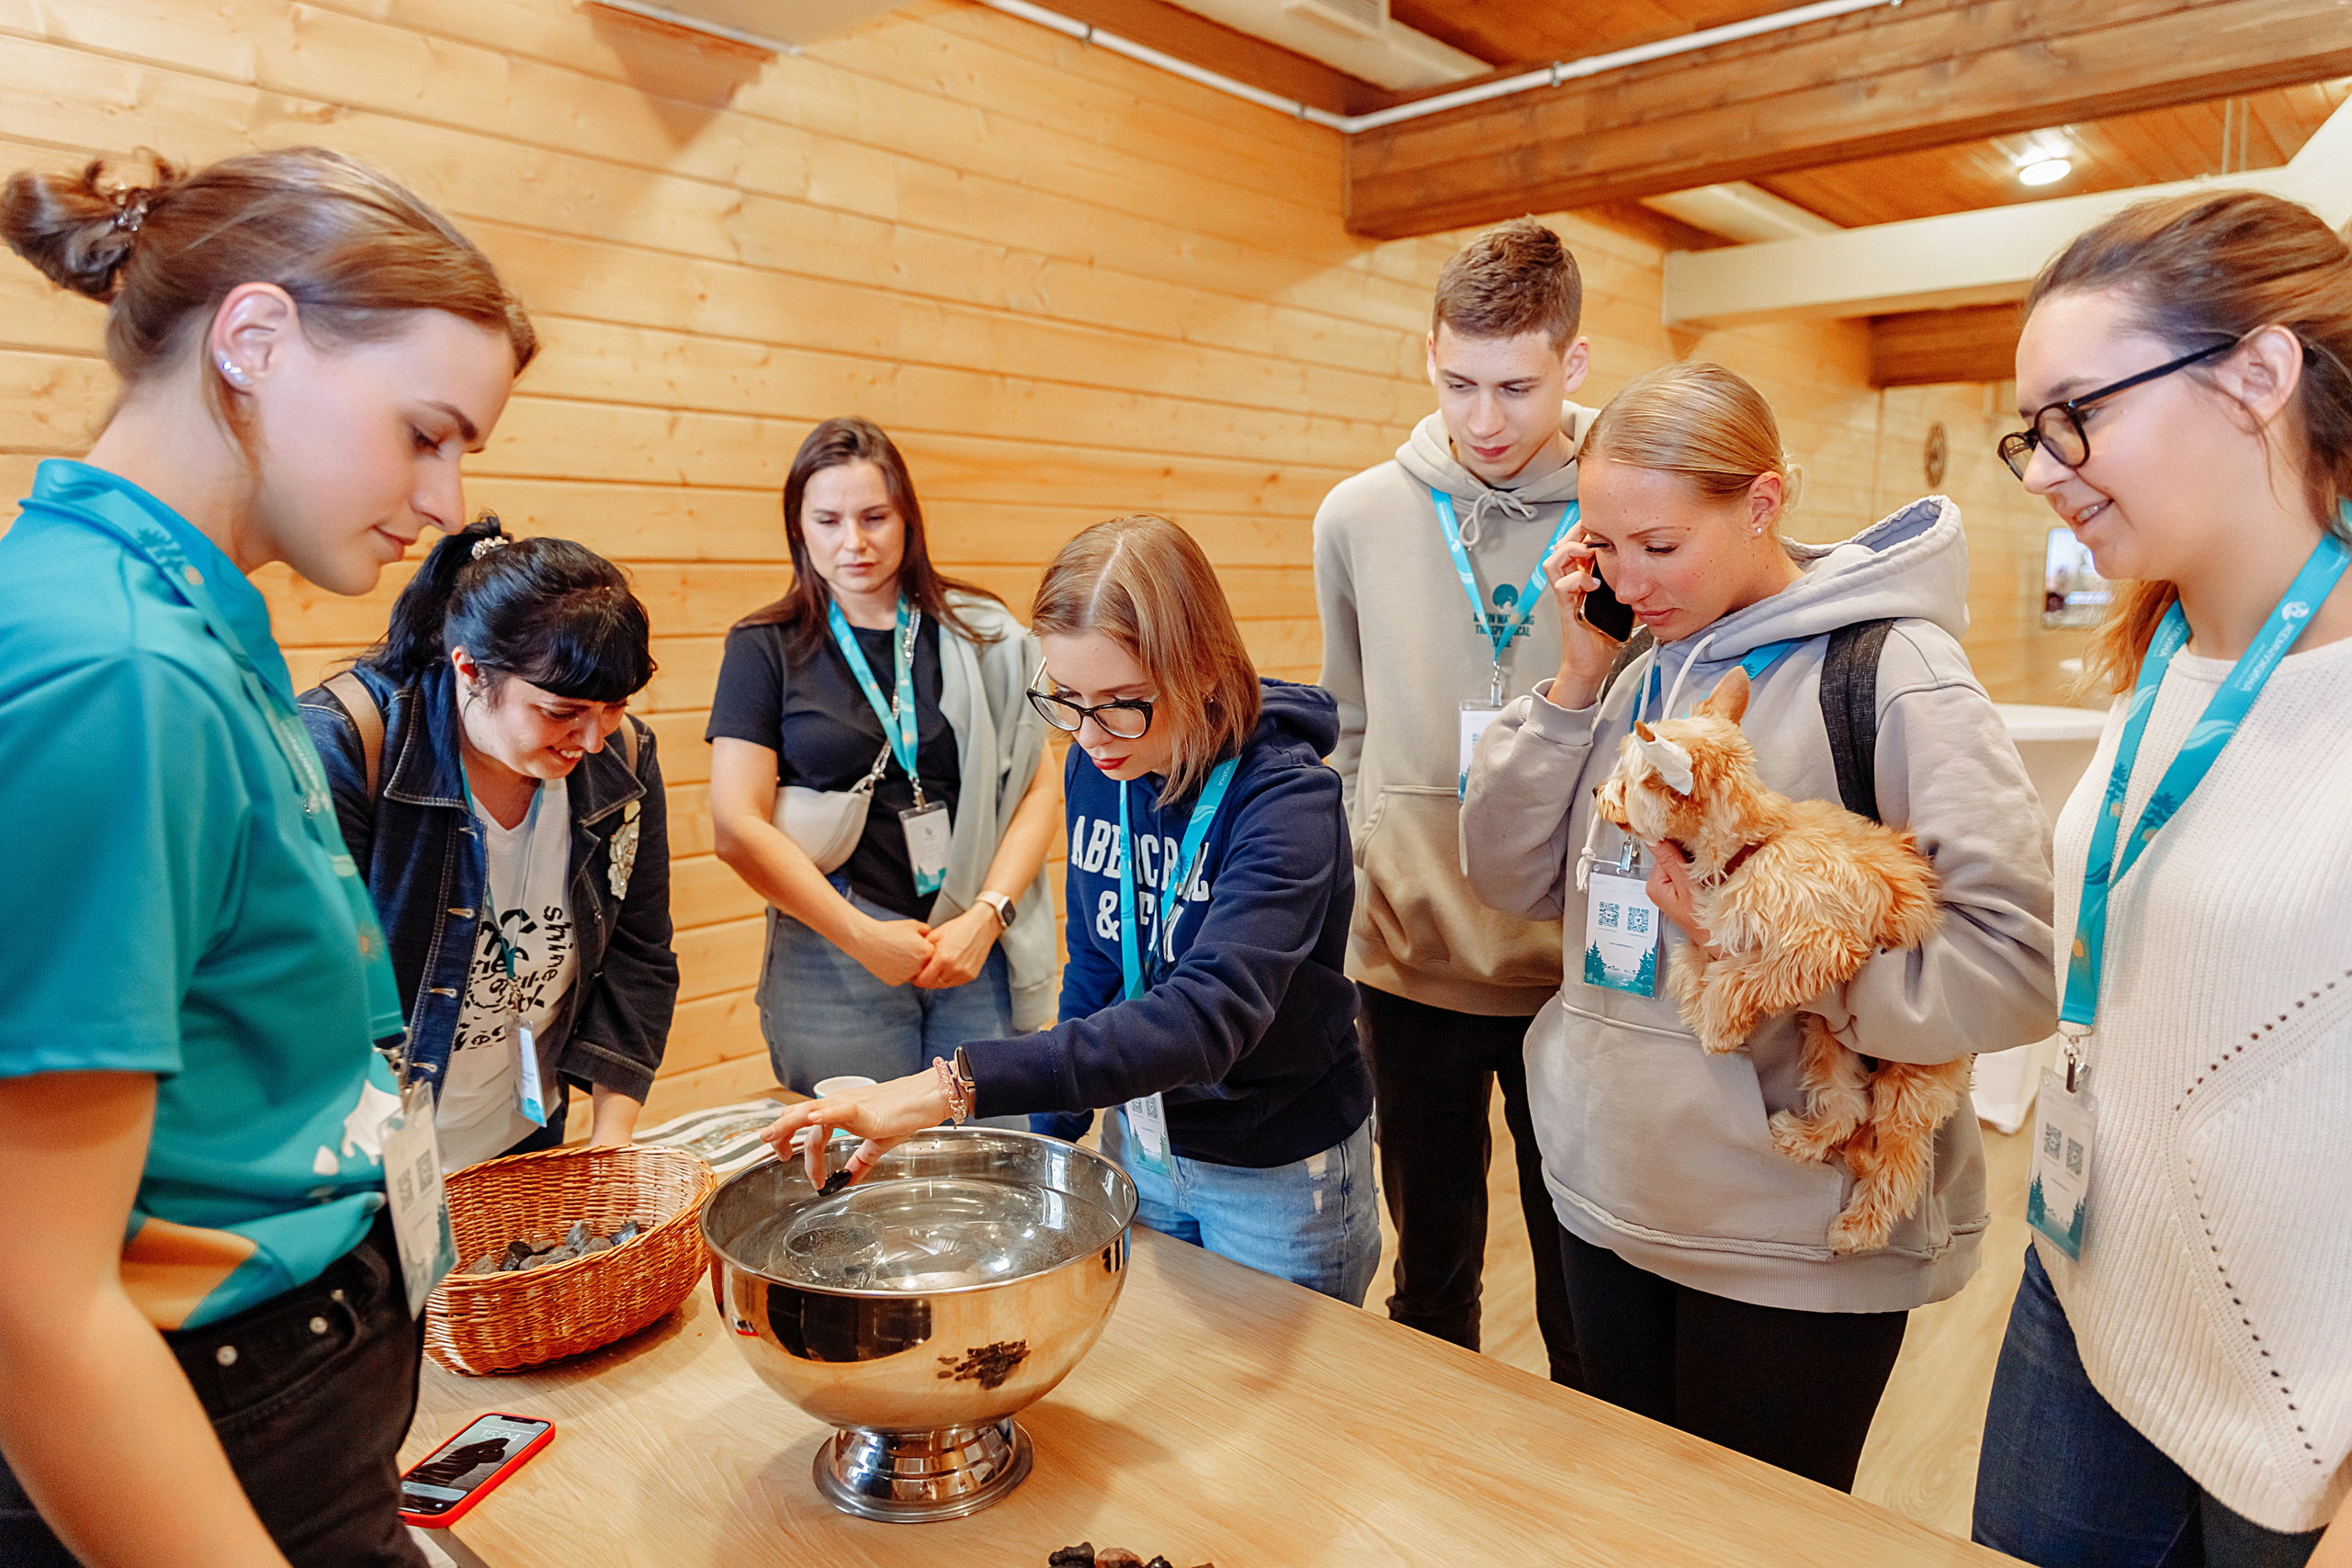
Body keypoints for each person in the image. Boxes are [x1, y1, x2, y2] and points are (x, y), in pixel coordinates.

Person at [0, 148, 532, 1567]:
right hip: (206, 1408)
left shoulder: (184, 622)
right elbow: (33, 1298)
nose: (447, 493)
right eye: (424, 430)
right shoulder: (112, 668)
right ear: (252, 338)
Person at [1460, 360, 2056, 1491]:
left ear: (1764, 503)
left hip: (1786, 1237)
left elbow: (2013, 967)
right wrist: (1578, 674)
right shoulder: (1634, 668)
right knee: (1625, 1524)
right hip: (1606, 1196)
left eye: (1662, 544)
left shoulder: (1895, 671)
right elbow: (1506, 874)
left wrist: (1763, 955)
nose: (1627, 578)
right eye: (1605, 544)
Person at [1971, 190, 2352, 1568]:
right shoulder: (2164, 662)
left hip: (2296, 1402)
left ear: (2258, 374)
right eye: (2032, 431)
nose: (2043, 468)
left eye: (2078, 412)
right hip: (2080, 1290)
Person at [762, 514, 1380, 1304]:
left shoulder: (1287, 797)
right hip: (1144, 1147)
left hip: (1274, 1166)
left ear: (1205, 667)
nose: (1091, 736)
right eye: (1068, 699)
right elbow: (1095, 967)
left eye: (1124, 702)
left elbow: (1205, 1017)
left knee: (1284, 1411)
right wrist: (1046, 1150)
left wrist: (951, 1088)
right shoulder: (1104, 768)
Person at [1313, 216, 1599, 1383]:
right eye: (1459, 382)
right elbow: (1347, 726)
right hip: (1408, 953)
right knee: (1430, 1267)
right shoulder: (1358, 515)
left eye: (1518, 387)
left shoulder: (1622, 501)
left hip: (1575, 968)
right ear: (1428, 350)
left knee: (1581, 1270)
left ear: (1573, 365)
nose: (1486, 421)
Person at [300, 517, 678, 1168]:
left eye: (613, 705)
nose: (591, 740)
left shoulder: (625, 756)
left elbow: (639, 955)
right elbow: (299, 989)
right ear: (470, 669)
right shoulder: (346, 746)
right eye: (561, 712)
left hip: (522, 1135)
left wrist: (611, 1141)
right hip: (365, 1158)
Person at [707, 417, 1062, 1107]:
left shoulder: (981, 629)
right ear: (798, 526)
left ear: (908, 518)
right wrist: (864, 937)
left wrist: (987, 916)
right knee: (854, 1174)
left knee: (988, 1160)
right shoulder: (764, 645)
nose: (854, 541)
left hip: (970, 943)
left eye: (874, 516)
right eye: (829, 519)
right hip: (832, 950)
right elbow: (735, 825)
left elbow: (1037, 788)